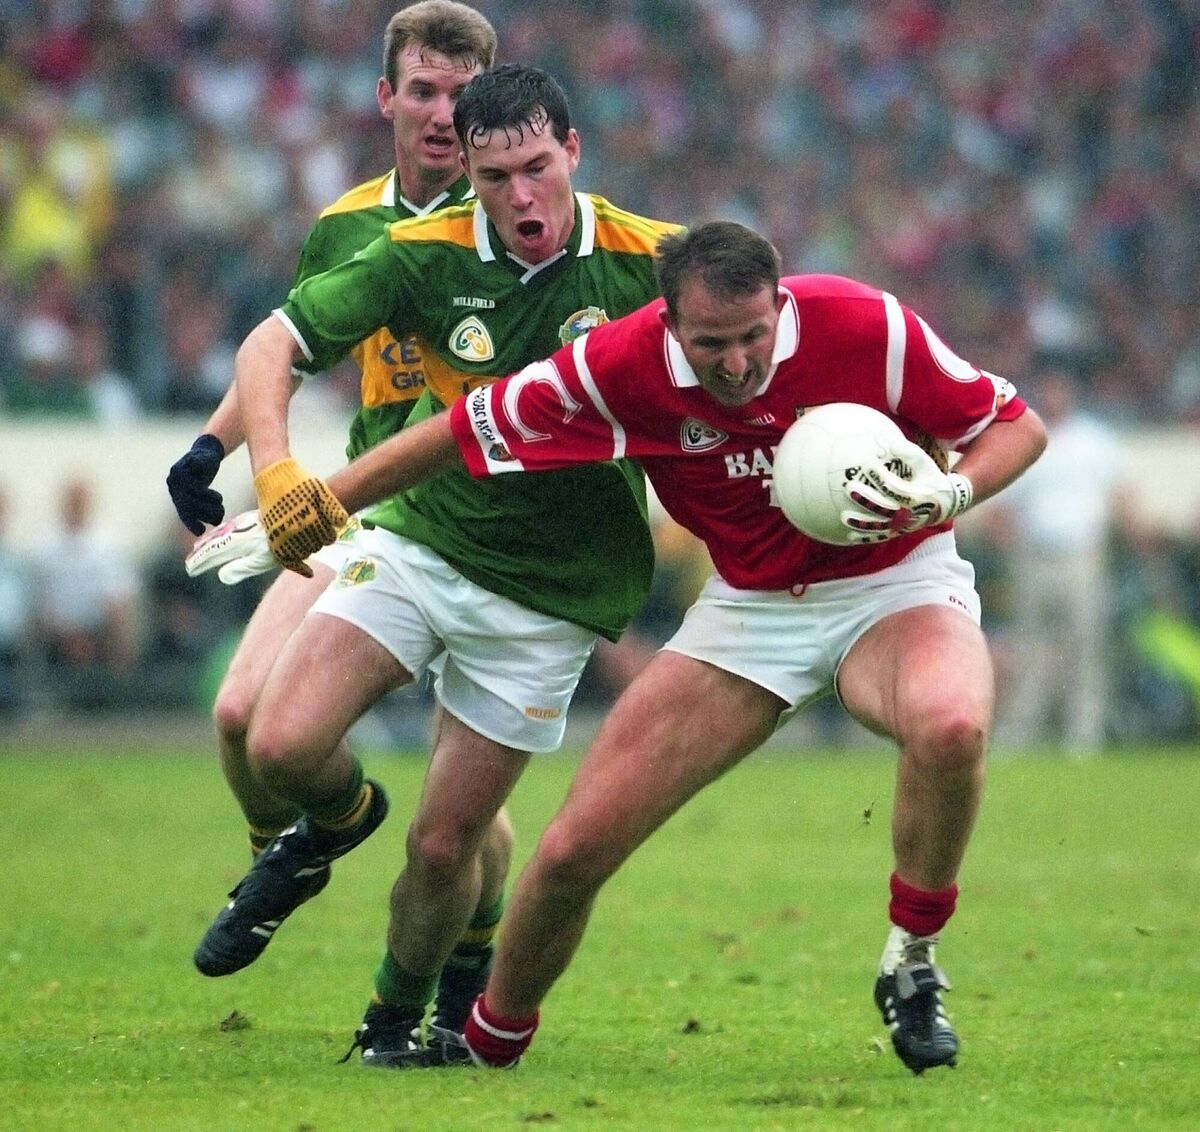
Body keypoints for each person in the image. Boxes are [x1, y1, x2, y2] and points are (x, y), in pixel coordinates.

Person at [265, 221, 1047, 1074]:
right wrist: (318, 502)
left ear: (780, 303)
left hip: (896, 581)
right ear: (669, 321)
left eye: (755, 336)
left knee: (953, 728)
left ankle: (912, 959)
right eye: (714, 344)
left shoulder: (866, 326)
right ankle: (487, 1048)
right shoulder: (617, 365)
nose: (740, 364)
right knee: (570, 853)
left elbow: (1015, 426)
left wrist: (950, 493)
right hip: (750, 612)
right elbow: (462, 430)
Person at [212, 62, 682, 1066]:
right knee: (279, 745)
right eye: (496, 176)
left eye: (539, 168)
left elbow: (775, 338)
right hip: (422, 540)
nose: (522, 198)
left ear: (574, 153)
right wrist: (277, 468)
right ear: (464, 166)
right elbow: (269, 345)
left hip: (550, 601)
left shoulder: (652, 260)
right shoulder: (420, 254)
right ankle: (338, 820)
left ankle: (393, 1025)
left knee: (443, 846)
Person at [163, 1, 502, 1038]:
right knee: (238, 719)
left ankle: (468, 967)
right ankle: (313, 838)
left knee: (464, 814)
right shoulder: (351, 222)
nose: (442, 115)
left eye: (462, 95)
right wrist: (213, 447)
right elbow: (291, 343)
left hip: (479, 530)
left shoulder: (516, 222)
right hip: (361, 509)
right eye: (426, 92)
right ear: (385, 97)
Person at [993, 370, 1125, 755]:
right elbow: (1003, 509)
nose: (1054, 395)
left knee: (1085, 644)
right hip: (1035, 557)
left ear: (1071, 392)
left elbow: (1118, 493)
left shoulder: (1093, 441)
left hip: (1081, 556)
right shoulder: (1029, 437)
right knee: (1030, 645)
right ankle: (1023, 728)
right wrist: (1013, 548)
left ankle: (1084, 732)